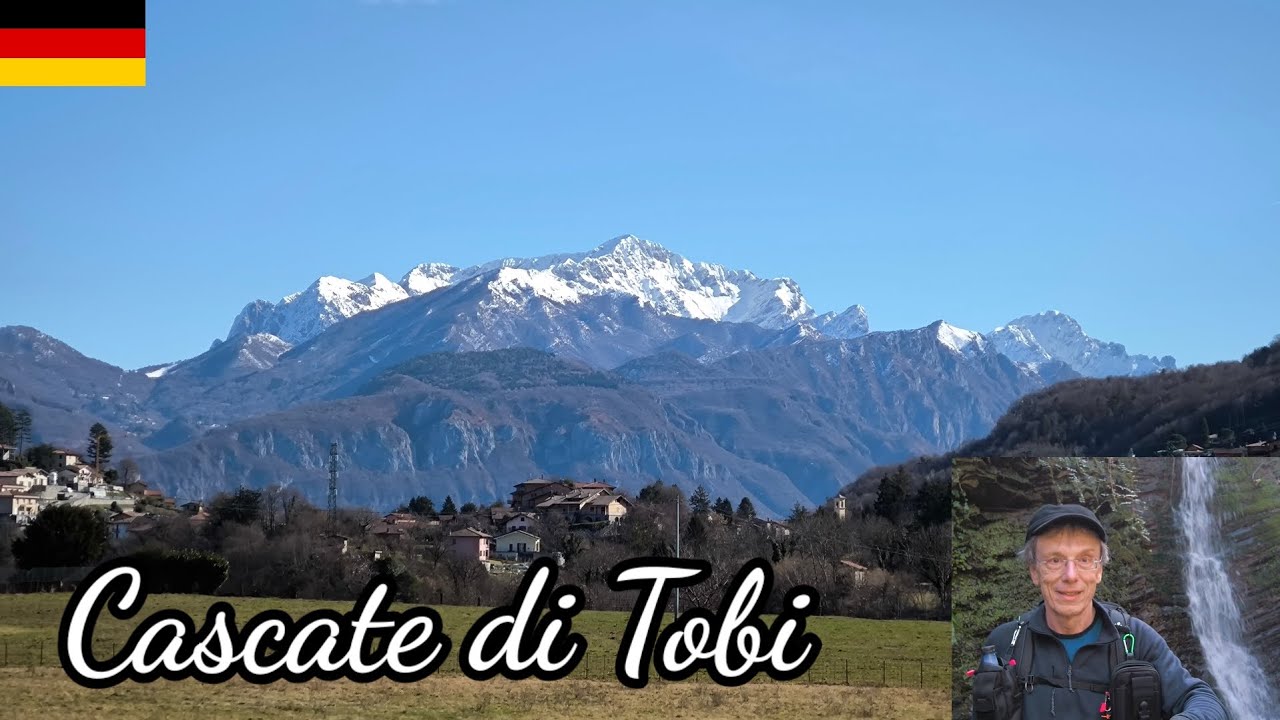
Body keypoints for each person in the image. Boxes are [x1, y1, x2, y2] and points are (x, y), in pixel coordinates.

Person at [971, 503, 1227, 720]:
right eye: (1055, 560)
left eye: (1084, 560)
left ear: (1099, 570)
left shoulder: (1135, 640)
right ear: (1034, 572)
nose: (1070, 576)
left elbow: (1203, 699)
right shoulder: (1005, 644)